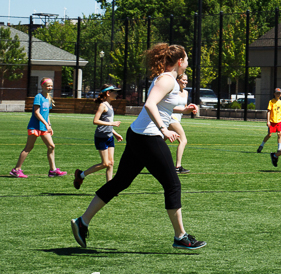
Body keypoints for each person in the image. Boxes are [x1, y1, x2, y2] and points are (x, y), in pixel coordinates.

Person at [70, 43, 205, 250]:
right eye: (186, 58)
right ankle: (180, 237)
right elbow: (150, 104)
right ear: (180, 61)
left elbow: (161, 105)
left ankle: (82, 222)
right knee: (172, 185)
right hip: (148, 137)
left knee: (121, 181)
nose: (188, 62)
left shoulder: (165, 78)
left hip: (138, 134)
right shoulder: (168, 80)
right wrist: (163, 129)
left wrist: (183, 110)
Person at [10, 78, 66, 178]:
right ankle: (16, 170)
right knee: (29, 147)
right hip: (35, 126)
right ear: (42, 86)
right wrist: (46, 124)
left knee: (51, 146)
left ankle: (53, 170)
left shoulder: (48, 98)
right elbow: (37, 113)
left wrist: (49, 125)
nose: (50, 88)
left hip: (44, 127)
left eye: (51, 86)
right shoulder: (38, 97)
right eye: (48, 86)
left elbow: (46, 114)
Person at [73, 85, 124, 188]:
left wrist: (115, 133)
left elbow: (107, 122)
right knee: (105, 163)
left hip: (109, 136)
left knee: (111, 163)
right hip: (101, 138)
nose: (117, 94)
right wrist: (112, 124)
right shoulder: (103, 105)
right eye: (114, 92)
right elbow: (95, 121)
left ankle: (110, 187)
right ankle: (81, 175)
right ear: (108, 93)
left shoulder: (110, 105)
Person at [167, 73, 195, 174]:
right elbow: (168, 107)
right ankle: (177, 167)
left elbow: (185, 107)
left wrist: (191, 109)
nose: (185, 82)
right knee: (183, 140)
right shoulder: (173, 92)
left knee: (160, 141)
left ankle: (143, 159)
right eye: (183, 80)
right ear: (177, 80)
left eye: (186, 80)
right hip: (171, 118)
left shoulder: (186, 93)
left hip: (177, 119)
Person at [257, 88, 281, 153]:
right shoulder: (271, 101)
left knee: (280, 134)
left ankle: (279, 148)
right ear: (274, 94)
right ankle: (261, 145)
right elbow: (268, 112)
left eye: (279, 93)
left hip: (278, 121)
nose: (278, 94)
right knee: (269, 135)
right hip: (272, 121)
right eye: (277, 93)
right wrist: (268, 121)